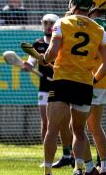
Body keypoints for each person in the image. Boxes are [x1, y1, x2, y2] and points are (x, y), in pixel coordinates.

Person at [41, 0, 106, 175]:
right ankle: (79, 169)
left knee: (52, 129)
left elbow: (52, 53)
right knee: (80, 130)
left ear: (72, 4)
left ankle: (47, 171)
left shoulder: (62, 22)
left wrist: (45, 58)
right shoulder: (99, 29)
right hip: (84, 85)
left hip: (63, 81)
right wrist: (94, 79)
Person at [21, 13, 74, 169]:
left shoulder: (61, 42)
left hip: (63, 86)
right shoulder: (37, 44)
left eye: (51, 22)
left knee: (66, 123)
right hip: (45, 88)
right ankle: (48, 158)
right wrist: (28, 65)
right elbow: (32, 60)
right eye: (45, 22)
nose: (48, 25)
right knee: (46, 122)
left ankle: (69, 155)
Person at [86, 0, 106, 175]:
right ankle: (105, 167)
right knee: (95, 126)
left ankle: (88, 168)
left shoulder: (93, 25)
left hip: (93, 80)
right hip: (104, 81)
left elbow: (98, 54)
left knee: (77, 127)